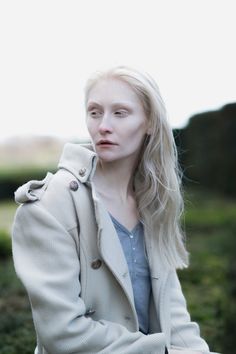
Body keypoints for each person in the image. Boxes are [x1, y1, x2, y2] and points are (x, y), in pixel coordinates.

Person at [12, 66, 218, 354]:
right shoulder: (49, 205)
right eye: (95, 112)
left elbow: (176, 320)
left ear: (150, 122)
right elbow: (64, 335)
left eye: (120, 113)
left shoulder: (152, 201)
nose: (103, 126)